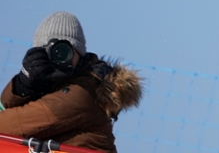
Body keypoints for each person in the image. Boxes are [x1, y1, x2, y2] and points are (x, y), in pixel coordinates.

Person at [0, 12, 143, 153]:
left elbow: (10, 126)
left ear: (80, 54)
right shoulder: (50, 86)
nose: (57, 58)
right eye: (46, 52)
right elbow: (4, 110)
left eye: (63, 51)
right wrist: (23, 86)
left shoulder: (84, 92)